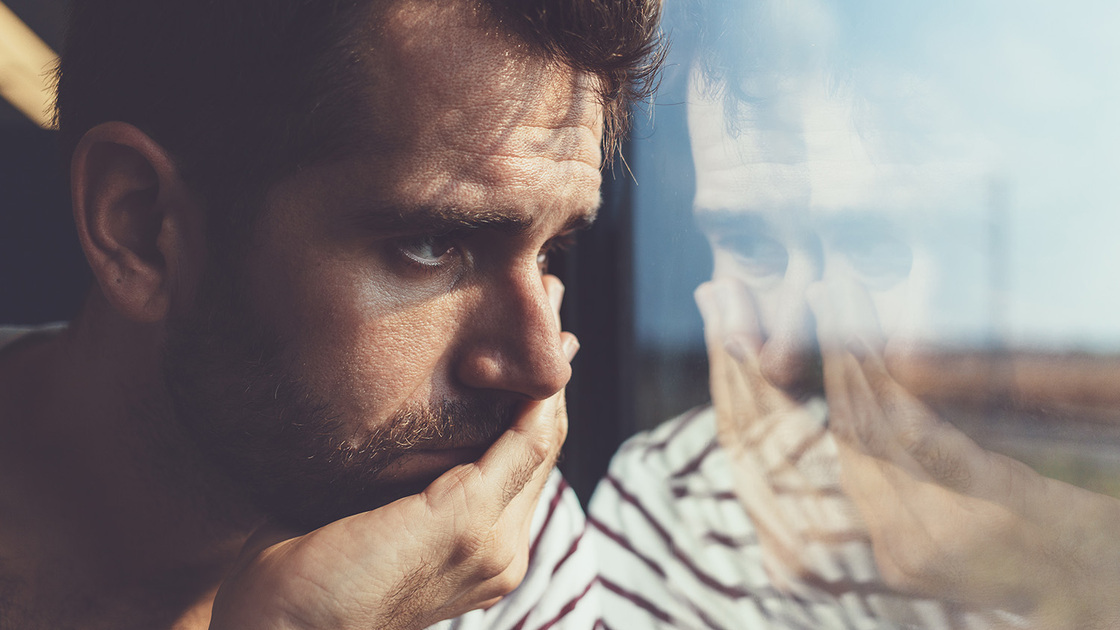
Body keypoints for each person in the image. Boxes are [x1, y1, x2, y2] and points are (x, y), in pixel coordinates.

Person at [0, 0, 662, 628]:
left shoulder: (505, 557)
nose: (545, 367)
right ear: (144, 230)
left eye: (552, 251)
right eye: (431, 246)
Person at [589, 0, 1120, 628]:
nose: (785, 351)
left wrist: (1059, 568)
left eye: (874, 248)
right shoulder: (667, 507)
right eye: (753, 247)